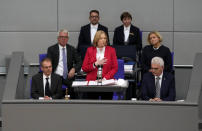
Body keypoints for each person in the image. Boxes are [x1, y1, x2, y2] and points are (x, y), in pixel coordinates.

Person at [82, 30, 118, 99]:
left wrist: (105, 79)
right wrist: (95, 64)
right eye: (101, 38)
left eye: (105, 38)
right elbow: (84, 67)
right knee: (92, 106)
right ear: (96, 40)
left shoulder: (111, 50)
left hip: (106, 82)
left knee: (106, 106)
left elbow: (115, 68)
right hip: (93, 82)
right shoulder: (90, 50)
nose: (103, 40)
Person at [47, 29, 82, 99]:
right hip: (56, 76)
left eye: (65, 37)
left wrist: (74, 69)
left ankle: (75, 105)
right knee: (59, 89)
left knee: (76, 89)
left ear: (68, 39)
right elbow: (48, 64)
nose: (63, 39)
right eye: (61, 37)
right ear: (58, 38)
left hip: (68, 76)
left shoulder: (72, 49)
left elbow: (79, 61)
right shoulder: (51, 49)